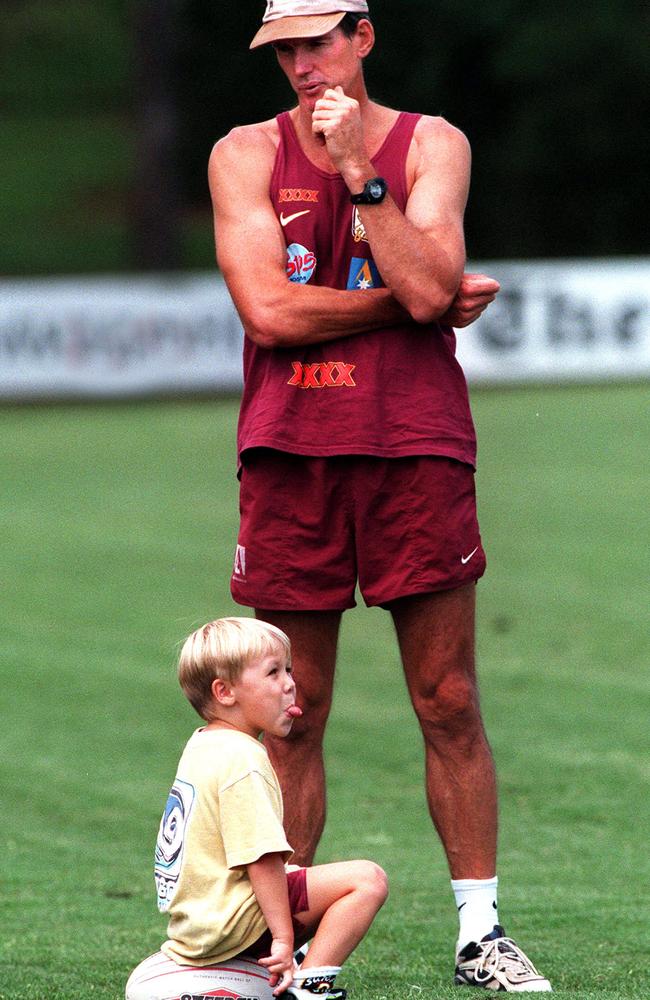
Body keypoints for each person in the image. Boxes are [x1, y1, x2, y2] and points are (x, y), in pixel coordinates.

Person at [208, 1, 551, 992]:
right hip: (291, 451)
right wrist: (415, 304)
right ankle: (276, 948)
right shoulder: (241, 154)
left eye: (318, 43)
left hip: (414, 446)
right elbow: (269, 312)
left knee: (445, 698)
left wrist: (361, 175)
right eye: (284, 51)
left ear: (362, 36)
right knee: (293, 711)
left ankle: (478, 933)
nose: (303, 66)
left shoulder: (430, 144)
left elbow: (425, 267)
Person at [125, 617, 388, 1000]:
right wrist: (283, 938)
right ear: (225, 691)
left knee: (306, 877)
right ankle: (308, 989)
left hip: (197, 922)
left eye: (288, 670)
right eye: (272, 673)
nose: (289, 684)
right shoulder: (243, 759)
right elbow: (261, 858)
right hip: (234, 923)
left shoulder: (203, 743)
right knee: (366, 880)